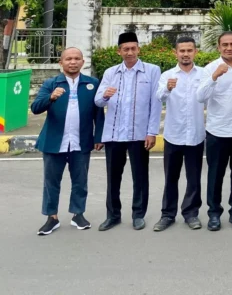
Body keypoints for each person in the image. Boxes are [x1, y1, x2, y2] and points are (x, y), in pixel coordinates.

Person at [31, 47, 104, 235]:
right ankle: (51, 217)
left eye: (77, 58)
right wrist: (51, 97)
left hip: (81, 142)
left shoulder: (92, 84)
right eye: (69, 59)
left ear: (83, 62)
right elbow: (36, 108)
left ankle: (78, 214)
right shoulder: (51, 83)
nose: (73, 62)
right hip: (54, 142)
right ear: (61, 63)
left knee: (80, 180)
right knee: (51, 182)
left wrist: (99, 137)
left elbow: (99, 113)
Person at [95, 32, 161, 231]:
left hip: (139, 134)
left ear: (139, 49)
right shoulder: (110, 73)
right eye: (126, 49)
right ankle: (113, 215)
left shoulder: (151, 71)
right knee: (113, 177)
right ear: (119, 51)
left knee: (140, 176)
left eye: (133, 48)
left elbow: (155, 104)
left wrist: (152, 132)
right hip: (114, 134)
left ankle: (138, 214)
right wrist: (105, 95)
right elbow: (97, 101)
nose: (130, 52)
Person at [197, 32, 232, 231]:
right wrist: (214, 77)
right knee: (215, 174)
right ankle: (214, 213)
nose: (229, 48)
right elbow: (200, 97)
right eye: (225, 45)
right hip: (217, 131)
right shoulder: (209, 69)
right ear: (218, 47)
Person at [153, 37, 205, 232]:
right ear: (175, 53)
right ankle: (167, 214)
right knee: (170, 178)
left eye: (189, 50)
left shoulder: (203, 74)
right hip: (173, 134)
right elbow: (158, 97)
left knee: (194, 177)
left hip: (196, 134)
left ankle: (191, 213)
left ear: (195, 52)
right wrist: (167, 88)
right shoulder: (167, 75)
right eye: (181, 50)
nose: (185, 54)